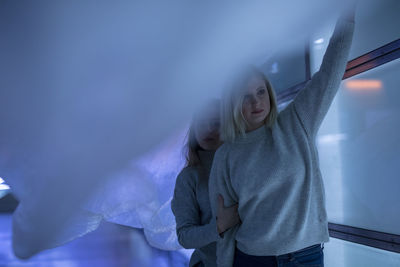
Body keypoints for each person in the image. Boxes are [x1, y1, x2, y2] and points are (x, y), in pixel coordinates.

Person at [208, 9, 355, 267]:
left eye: (260, 91)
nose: (256, 101)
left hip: (306, 256)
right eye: (245, 96)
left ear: (269, 93)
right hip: (253, 259)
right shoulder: (226, 155)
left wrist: (347, 18)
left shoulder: (297, 121)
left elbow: (329, 73)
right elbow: (226, 227)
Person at [172, 99, 241, 267]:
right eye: (202, 123)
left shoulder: (243, 165)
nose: (209, 129)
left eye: (216, 123)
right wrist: (219, 225)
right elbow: (185, 237)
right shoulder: (188, 178)